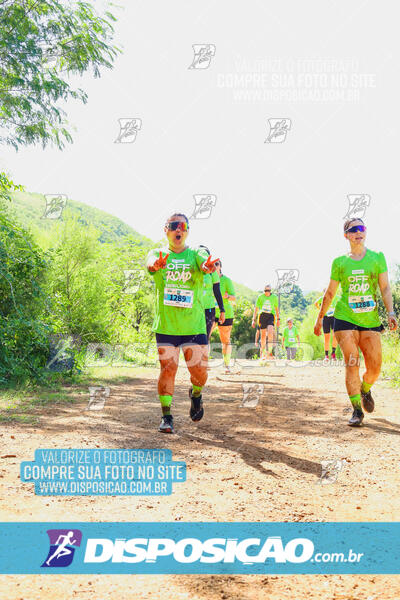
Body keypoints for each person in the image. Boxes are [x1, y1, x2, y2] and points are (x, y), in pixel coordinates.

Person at [314, 218, 398, 427]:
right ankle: (357, 410)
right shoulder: (340, 262)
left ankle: (365, 389)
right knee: (352, 362)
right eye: (353, 229)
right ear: (346, 235)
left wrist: (391, 312)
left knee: (375, 368)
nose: (358, 232)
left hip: (370, 319)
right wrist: (320, 318)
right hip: (345, 318)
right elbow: (331, 291)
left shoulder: (377, 258)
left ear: (365, 232)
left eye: (361, 228)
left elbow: (385, 288)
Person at [146, 213, 219, 433]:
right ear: (166, 230)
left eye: (183, 226)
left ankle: (196, 393)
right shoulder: (157, 253)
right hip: (167, 326)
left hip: (194, 326)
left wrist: (207, 267)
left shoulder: (195, 253)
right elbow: (150, 265)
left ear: (187, 231)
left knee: (200, 373)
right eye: (174, 225)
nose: (179, 229)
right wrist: (155, 265)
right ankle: (166, 416)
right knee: (168, 369)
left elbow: (205, 260)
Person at [212, 260, 236, 373]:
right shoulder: (208, 278)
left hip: (225, 312)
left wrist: (227, 296)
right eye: (213, 264)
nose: (214, 266)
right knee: (204, 337)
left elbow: (233, 297)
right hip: (210, 311)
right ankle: (203, 363)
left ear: (220, 266)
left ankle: (226, 365)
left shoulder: (226, 280)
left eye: (216, 264)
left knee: (225, 340)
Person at [198, 245, 225, 341]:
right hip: (194, 309)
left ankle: (204, 355)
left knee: (205, 338)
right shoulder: (193, 269)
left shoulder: (212, 271)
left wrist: (222, 310)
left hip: (208, 309)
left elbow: (217, 292)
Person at [252, 285, 280, 361]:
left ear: (270, 291)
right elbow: (256, 308)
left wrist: (278, 319)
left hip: (271, 315)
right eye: (265, 291)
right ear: (263, 291)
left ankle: (269, 352)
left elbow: (276, 308)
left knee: (270, 332)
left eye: (268, 291)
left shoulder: (274, 297)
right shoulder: (260, 297)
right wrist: (253, 319)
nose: (267, 292)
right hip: (262, 316)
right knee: (263, 336)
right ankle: (263, 354)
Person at [315, 288, 339, 360]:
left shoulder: (336, 297)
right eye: (325, 292)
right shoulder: (322, 298)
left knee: (335, 335)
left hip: (334, 317)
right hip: (326, 318)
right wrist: (321, 310)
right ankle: (326, 356)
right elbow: (316, 303)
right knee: (327, 337)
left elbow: (343, 303)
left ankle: (333, 353)